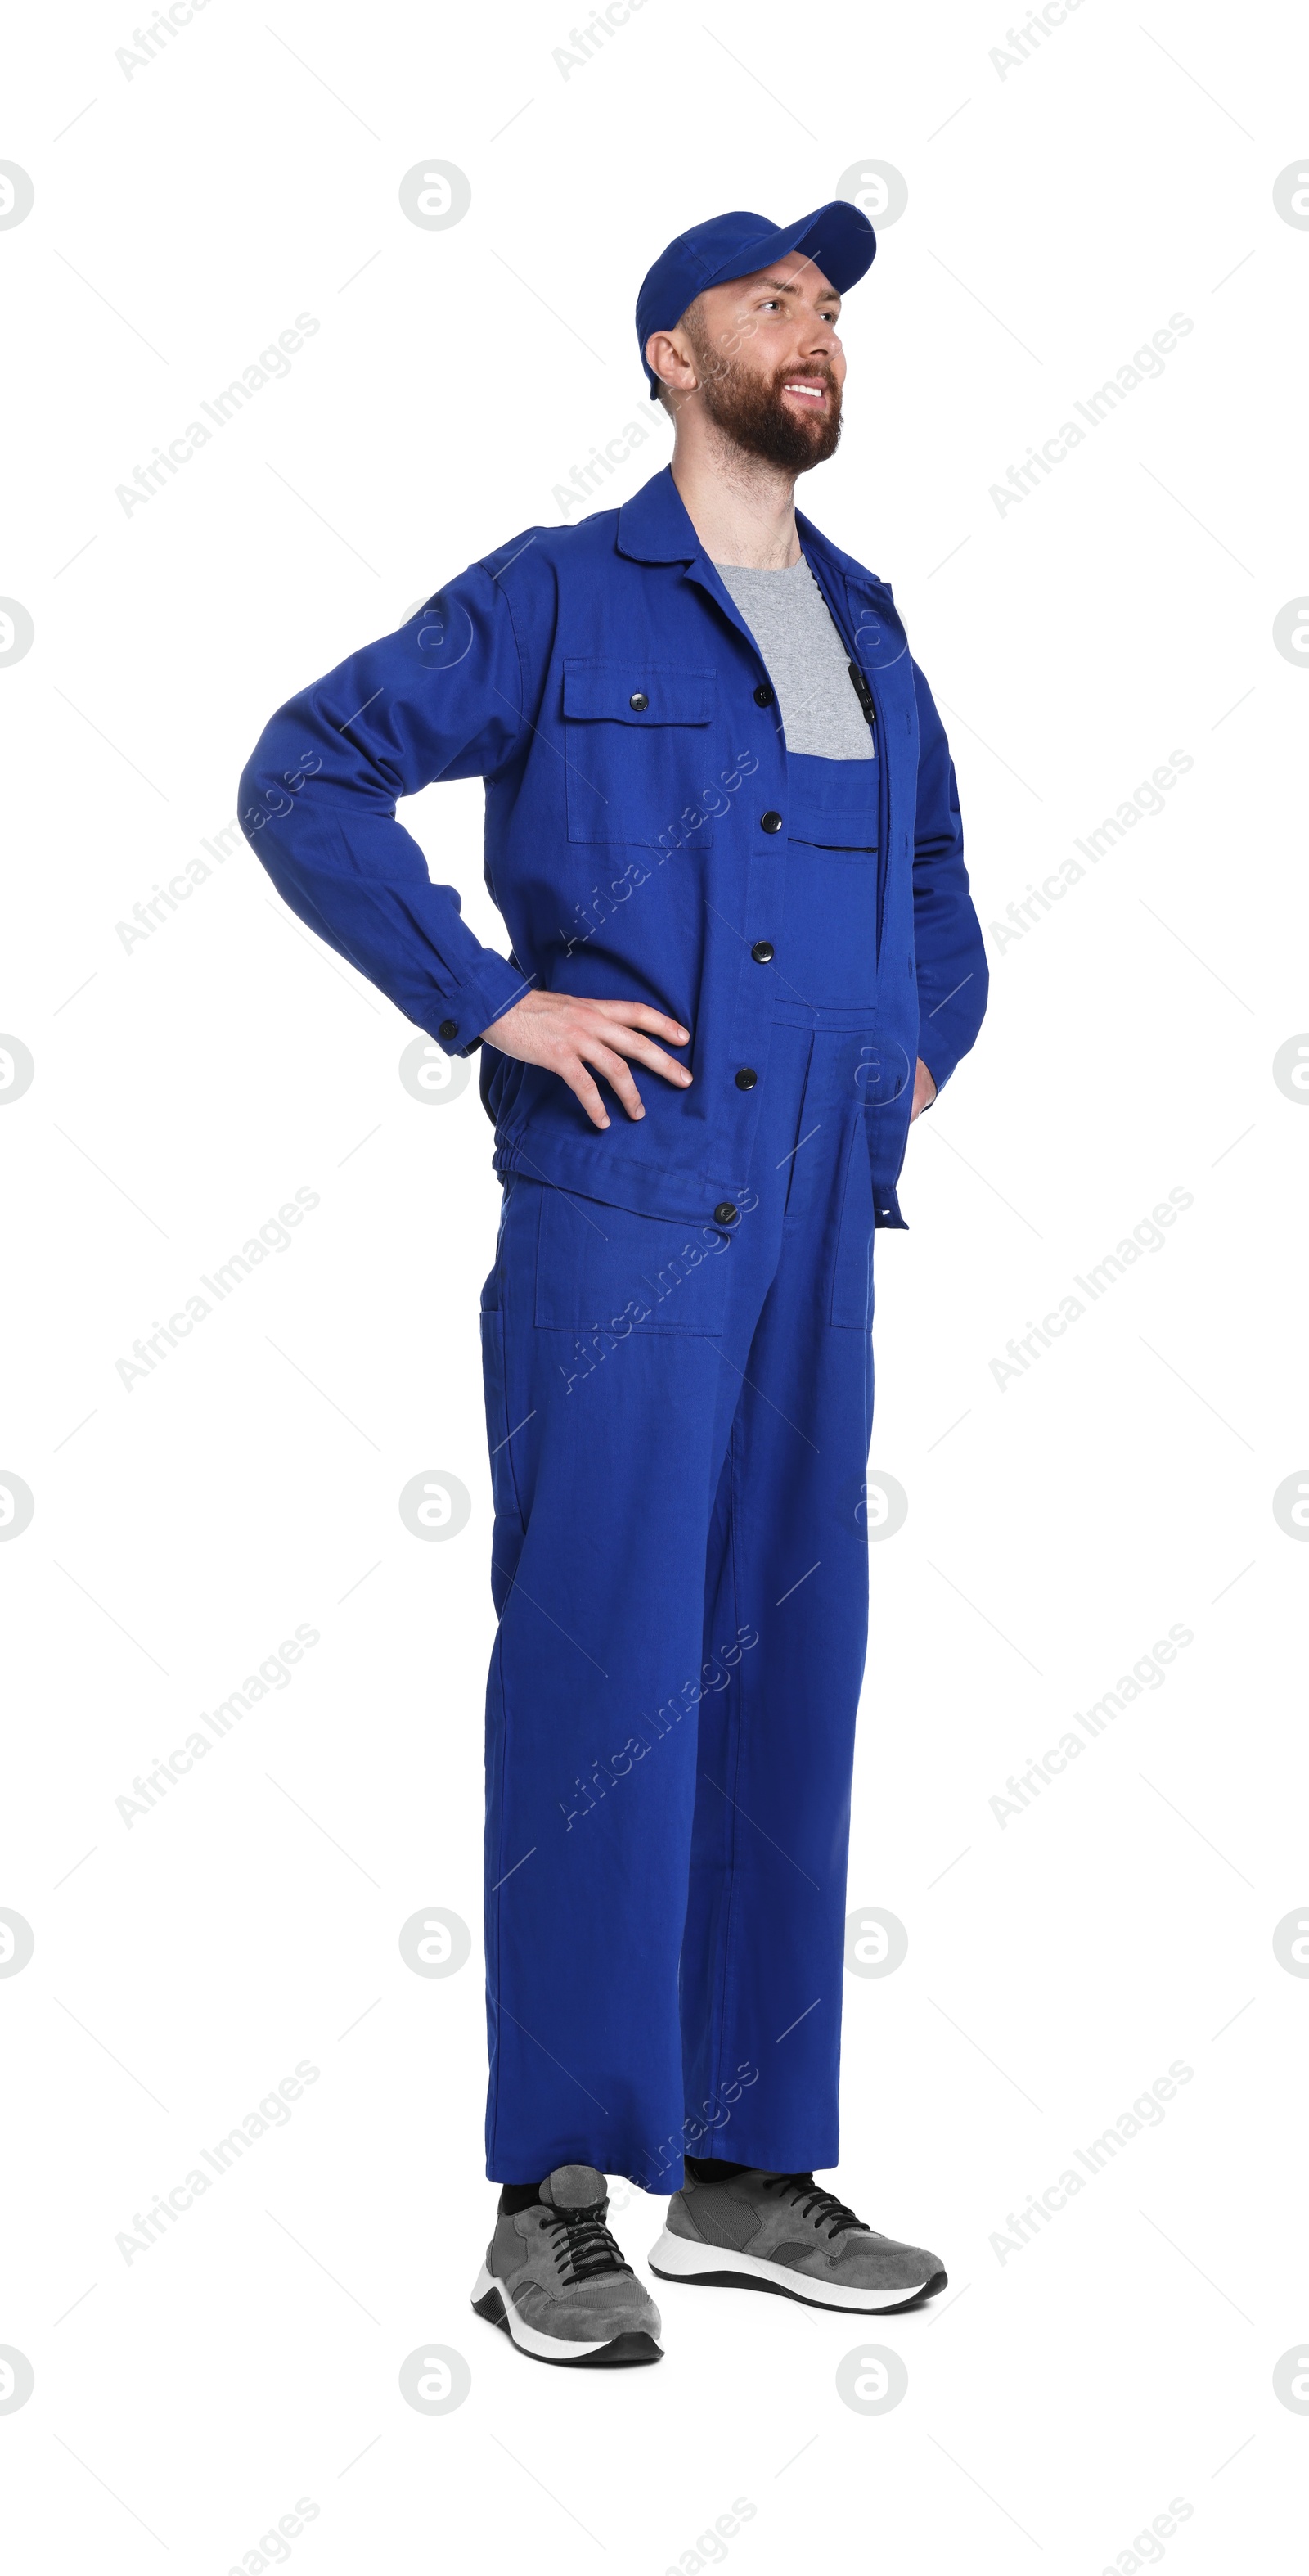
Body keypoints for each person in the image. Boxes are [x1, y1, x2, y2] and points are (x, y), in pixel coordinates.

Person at [239, 200, 988, 2370]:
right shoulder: (563, 597)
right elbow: (309, 766)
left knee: (787, 1674)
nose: (815, 333)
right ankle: (550, 2193)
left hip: (817, 1231)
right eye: (775, 305)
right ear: (676, 355)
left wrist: (915, 1046)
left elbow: (941, 881)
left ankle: (746, 2171)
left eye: (830, 309)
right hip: (626, 1219)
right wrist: (487, 1000)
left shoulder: (863, 617)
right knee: (604, 1682)